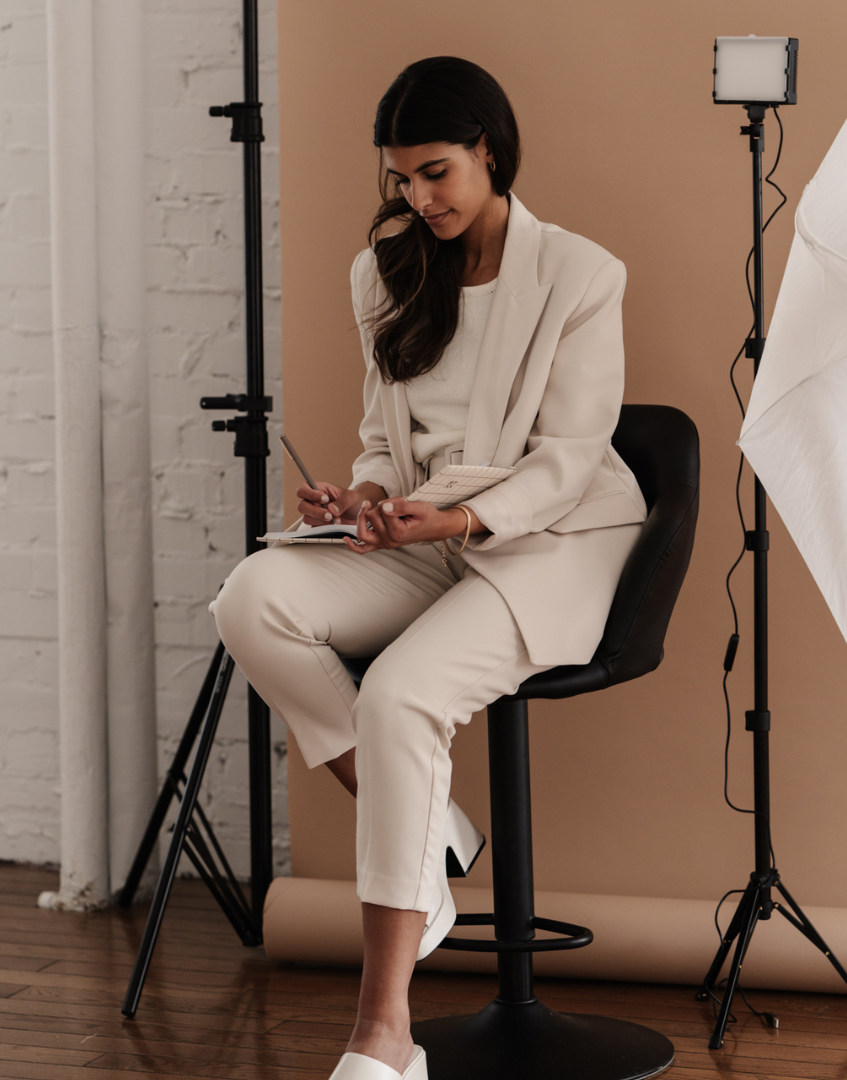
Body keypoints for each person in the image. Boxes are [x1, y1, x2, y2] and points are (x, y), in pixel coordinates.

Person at [210, 56, 647, 1080]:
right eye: (401, 179)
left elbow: (572, 459)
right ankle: (424, 836)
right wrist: (359, 498)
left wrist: (451, 516)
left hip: (551, 542)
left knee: (400, 695)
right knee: (252, 598)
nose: (419, 198)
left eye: (438, 173)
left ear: (490, 151)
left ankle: (383, 1033)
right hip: (418, 534)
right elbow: (381, 439)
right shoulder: (386, 272)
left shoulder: (581, 275)